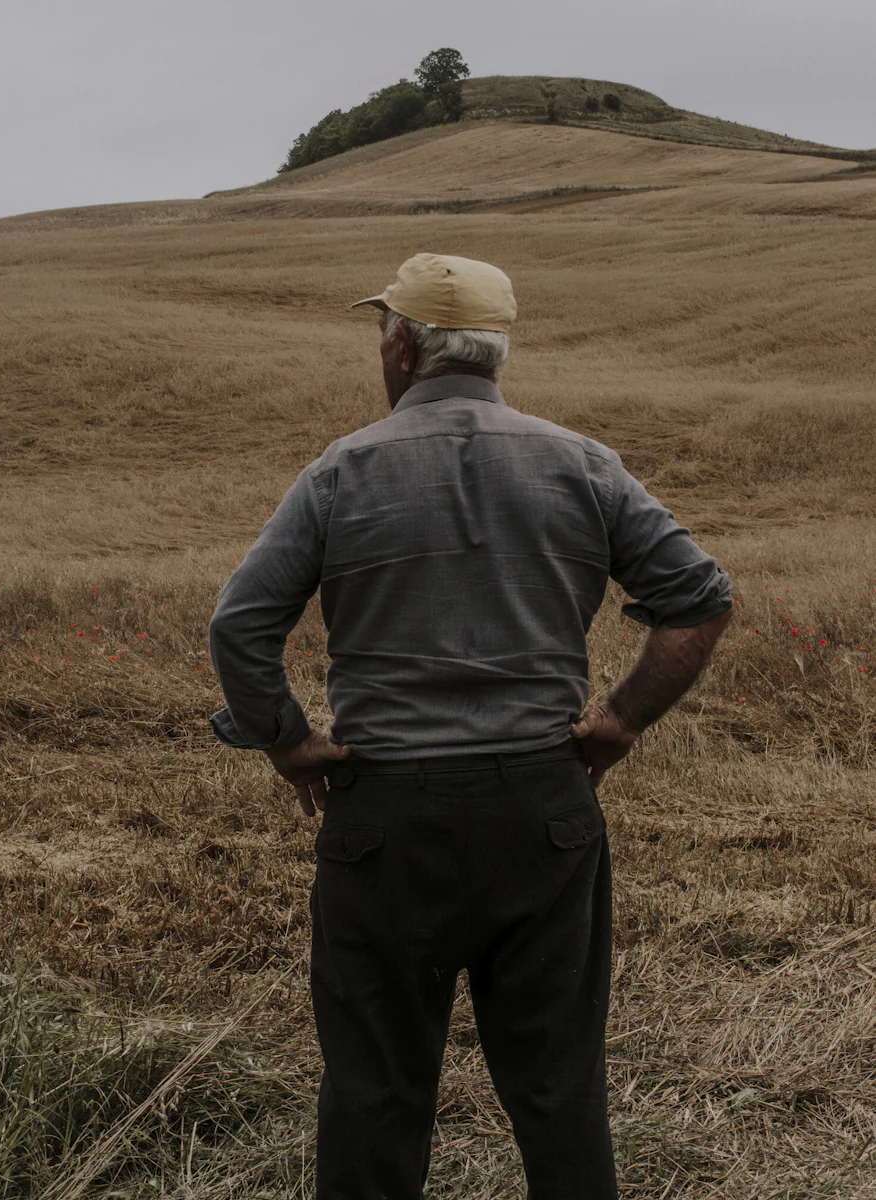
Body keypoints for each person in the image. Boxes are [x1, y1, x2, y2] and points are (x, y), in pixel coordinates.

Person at [208, 252, 733, 1199]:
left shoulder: (340, 472)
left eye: (382, 331)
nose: (381, 346)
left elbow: (240, 623)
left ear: (404, 346)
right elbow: (697, 598)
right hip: (542, 809)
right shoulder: (582, 463)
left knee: (374, 1093)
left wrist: (286, 740)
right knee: (559, 1092)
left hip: (384, 822)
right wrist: (616, 723)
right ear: (495, 352)